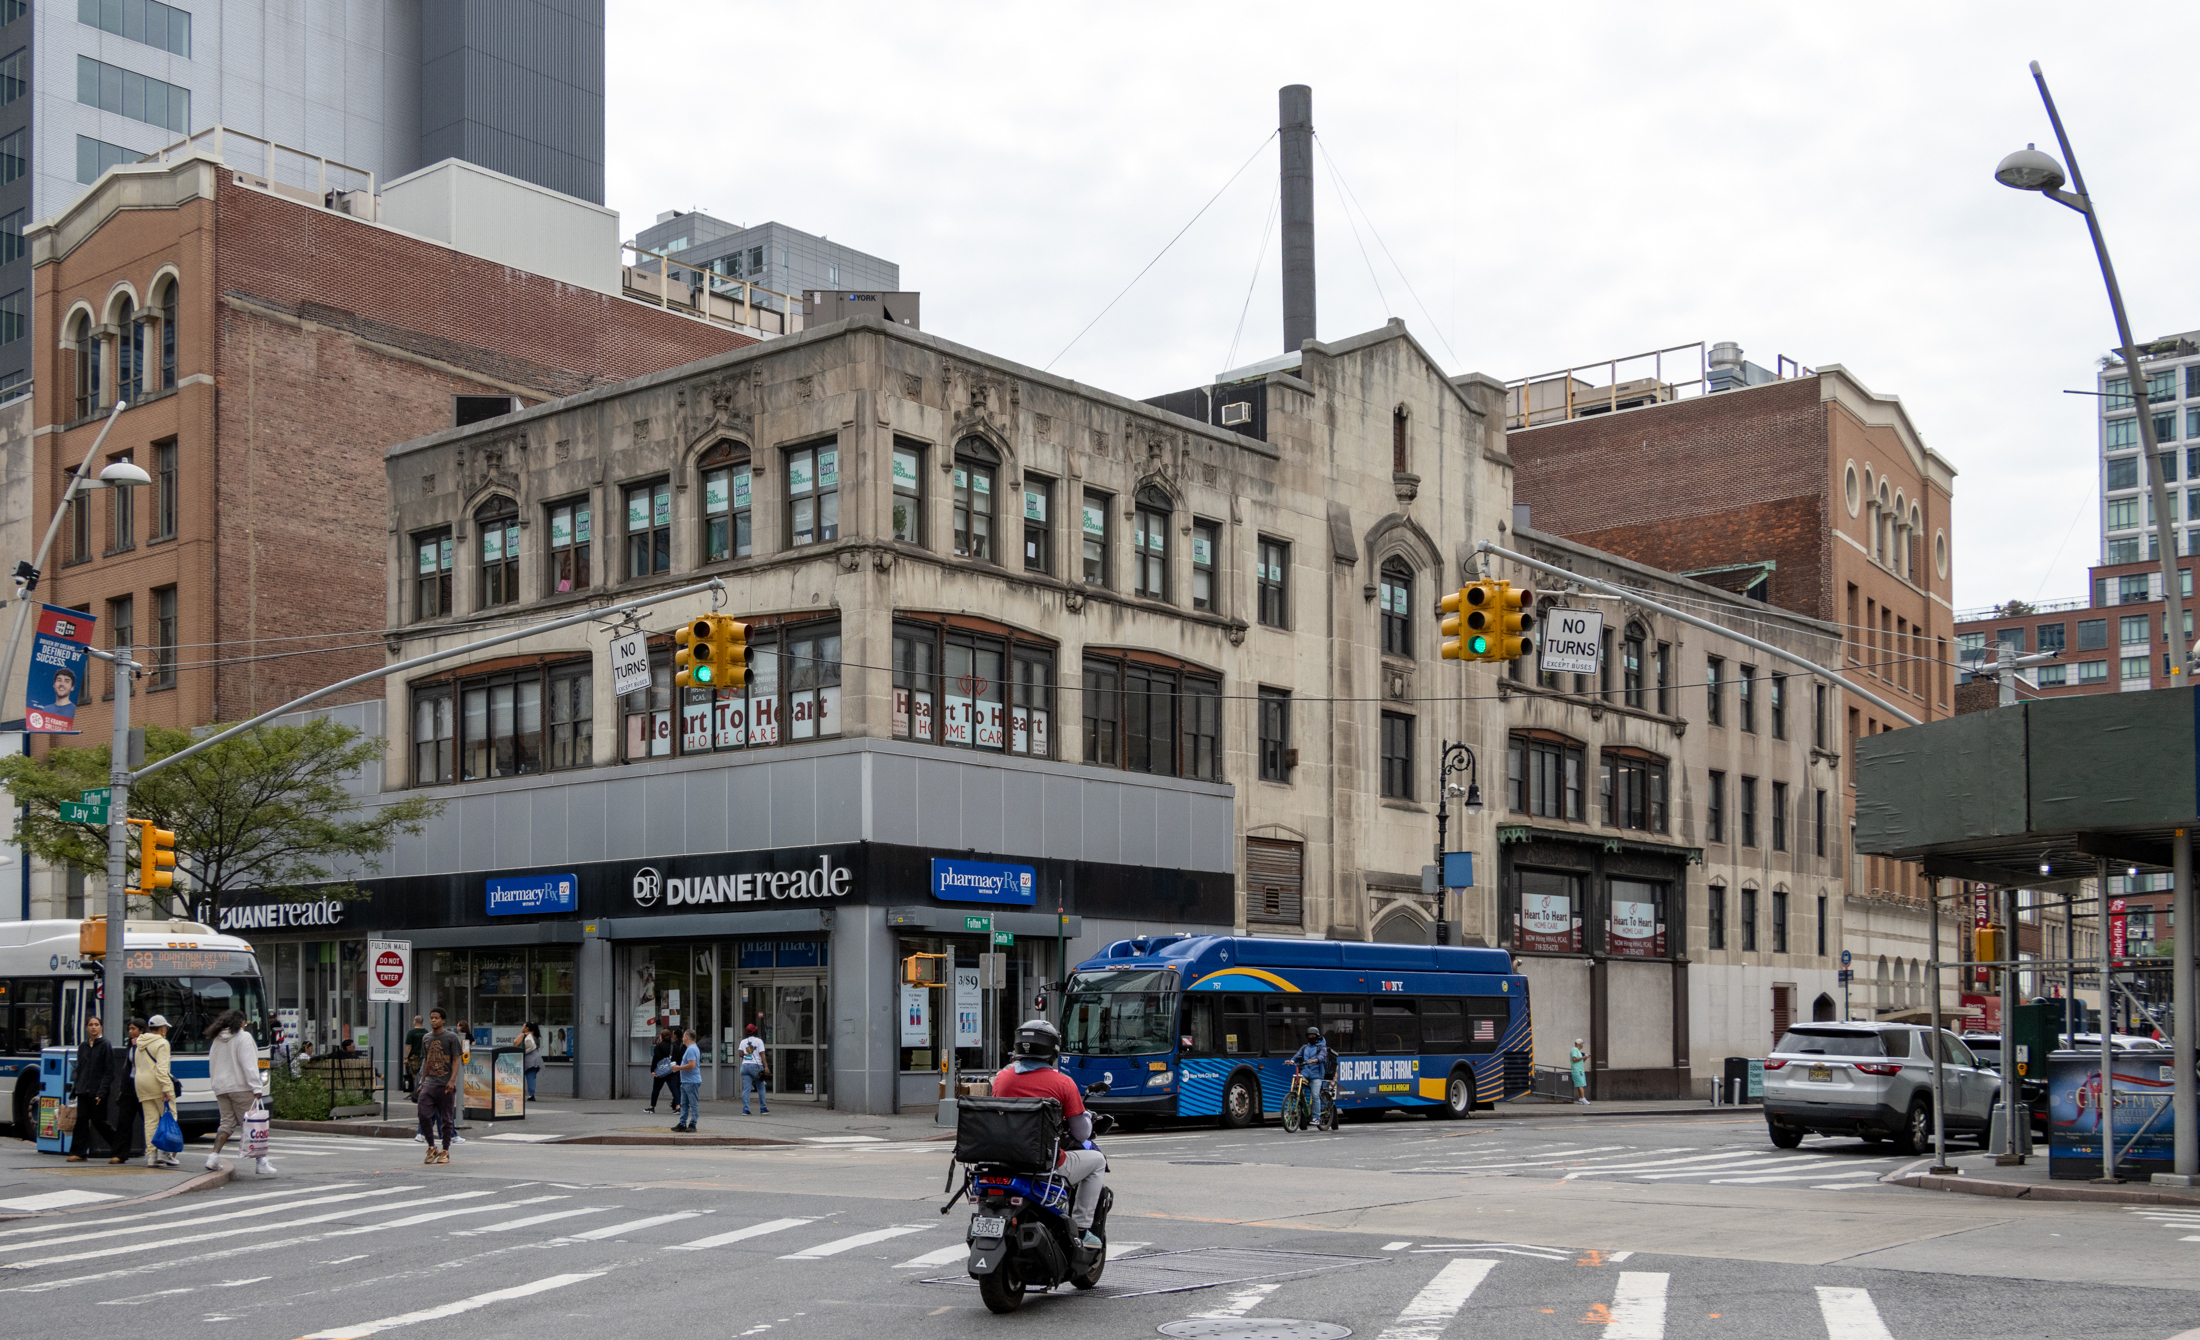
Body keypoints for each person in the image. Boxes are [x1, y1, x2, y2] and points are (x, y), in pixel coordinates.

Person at [991, 1019, 1105, 1254]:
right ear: (1053, 1050)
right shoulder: (1062, 1083)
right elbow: (1081, 1133)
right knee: (1097, 1162)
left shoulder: (1002, 1078)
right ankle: (1082, 1228)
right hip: (1043, 1163)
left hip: (1002, 1160)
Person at [204, 1009, 273, 1175]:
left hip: (222, 1088)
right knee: (252, 1124)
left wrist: (216, 1085)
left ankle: (213, 1157)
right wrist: (256, 1087)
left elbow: (212, 1063)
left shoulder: (217, 1039)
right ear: (240, 1022)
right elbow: (248, 1064)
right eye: (244, 1022)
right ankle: (261, 1161)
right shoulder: (244, 1037)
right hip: (241, 1087)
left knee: (226, 1122)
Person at [65, 1015, 119, 1163]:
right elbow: (80, 1070)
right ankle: (79, 1152)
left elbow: (109, 1071)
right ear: (86, 1028)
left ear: (101, 1027)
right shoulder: (83, 1046)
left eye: (96, 1024)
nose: (93, 1027)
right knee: (81, 1121)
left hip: (98, 1092)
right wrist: (75, 1090)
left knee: (99, 1121)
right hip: (83, 1090)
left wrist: (101, 1092)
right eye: (90, 1024)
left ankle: (119, 1149)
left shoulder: (105, 1045)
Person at [415, 1008, 462, 1165]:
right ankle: (431, 1146)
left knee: (446, 1119)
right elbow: (426, 1060)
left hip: (445, 1084)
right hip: (429, 1083)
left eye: (436, 1018)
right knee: (423, 1114)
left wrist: (452, 1080)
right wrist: (422, 1082)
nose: (433, 1020)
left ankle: (445, 1150)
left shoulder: (451, 1037)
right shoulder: (426, 1038)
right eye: (431, 1018)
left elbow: (456, 1060)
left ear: (443, 1020)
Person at [133, 1015, 177, 1169]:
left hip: (141, 1084)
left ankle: (151, 1156)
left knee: (151, 1121)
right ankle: (164, 1153)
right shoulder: (162, 1043)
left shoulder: (140, 1043)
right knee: (170, 1116)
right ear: (163, 1028)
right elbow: (162, 1069)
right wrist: (166, 1088)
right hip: (157, 1083)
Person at [1290, 1026, 1334, 1131]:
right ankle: (1297, 1108)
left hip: (1316, 1076)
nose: (1311, 1037)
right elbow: (1297, 1055)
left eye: (1313, 1036)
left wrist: (1315, 1060)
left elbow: (1323, 1056)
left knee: (1315, 1095)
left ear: (1317, 1037)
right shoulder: (1304, 1047)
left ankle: (1316, 1118)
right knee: (1297, 1086)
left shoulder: (1321, 1047)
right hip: (1305, 1073)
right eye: (1309, 1036)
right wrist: (1291, 1060)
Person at [673, 1027, 702, 1132]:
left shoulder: (691, 1049)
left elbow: (691, 1065)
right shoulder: (692, 1048)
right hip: (686, 1080)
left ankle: (693, 1124)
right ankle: (682, 1123)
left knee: (693, 1103)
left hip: (691, 1081)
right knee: (684, 1103)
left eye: (684, 1035)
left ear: (687, 1037)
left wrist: (678, 1068)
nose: (683, 1038)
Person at [737, 1024, 769, 1115]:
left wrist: (747, 1055)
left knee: (746, 1089)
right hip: (756, 1066)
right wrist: (766, 1066)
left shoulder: (743, 1041)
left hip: (745, 1066)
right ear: (755, 1031)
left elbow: (740, 1054)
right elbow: (762, 1054)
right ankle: (763, 1108)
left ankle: (746, 1110)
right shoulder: (759, 1041)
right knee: (761, 1087)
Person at [646, 1026, 677, 1114]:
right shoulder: (673, 1046)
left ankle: (652, 1107)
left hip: (660, 1071)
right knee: (674, 1089)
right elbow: (676, 1057)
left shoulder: (659, 1046)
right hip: (670, 1070)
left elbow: (656, 1058)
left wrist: (653, 1070)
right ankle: (678, 1106)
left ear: (661, 1037)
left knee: (656, 1089)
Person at [402, 1016, 426, 1096]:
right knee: (423, 1074)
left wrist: (406, 1057)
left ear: (415, 1022)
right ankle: (422, 1091)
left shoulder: (411, 1032)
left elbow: (409, 1046)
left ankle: (412, 1093)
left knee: (412, 1076)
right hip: (423, 1057)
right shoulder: (426, 1032)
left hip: (413, 1057)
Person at [520, 1021, 542, 1101]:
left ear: (528, 1028)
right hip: (537, 1058)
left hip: (529, 1058)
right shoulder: (537, 1037)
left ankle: (523, 1093)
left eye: (523, 1026)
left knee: (524, 1076)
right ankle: (531, 1094)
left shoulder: (528, 1036)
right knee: (531, 1077)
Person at [1570, 1038, 1590, 1105]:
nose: (1582, 1045)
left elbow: (1579, 1060)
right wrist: (1583, 1058)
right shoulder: (1574, 1050)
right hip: (1577, 1070)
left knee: (1580, 1085)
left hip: (1579, 1069)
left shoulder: (1577, 1050)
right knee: (1581, 1085)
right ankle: (1583, 1098)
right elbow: (1574, 1059)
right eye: (1582, 1043)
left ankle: (1581, 1099)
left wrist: (1584, 1059)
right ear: (1579, 1044)